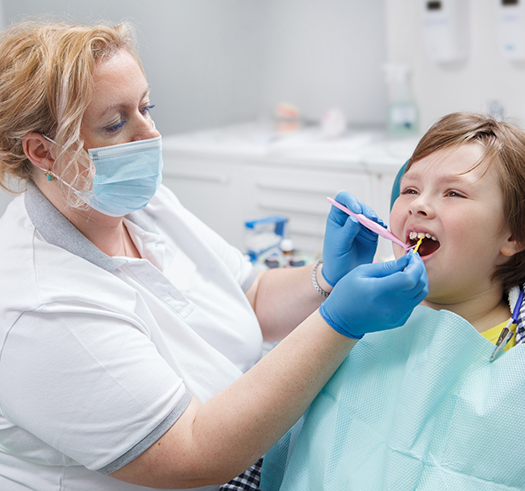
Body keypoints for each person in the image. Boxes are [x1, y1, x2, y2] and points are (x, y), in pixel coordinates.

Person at [0, 19, 428, 491]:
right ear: (43, 151)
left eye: (147, 107)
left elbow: (253, 295)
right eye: (116, 123)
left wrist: (326, 278)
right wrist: (338, 323)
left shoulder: (139, 206)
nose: (149, 134)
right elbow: (194, 455)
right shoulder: (40, 308)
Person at [260, 112, 525, 491]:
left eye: (454, 193)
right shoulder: (353, 315)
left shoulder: (516, 360)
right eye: (410, 190)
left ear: (514, 235)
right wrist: (330, 301)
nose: (419, 206)